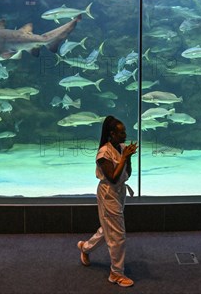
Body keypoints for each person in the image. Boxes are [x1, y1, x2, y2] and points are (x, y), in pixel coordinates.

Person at [77, 115, 137, 288]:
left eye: (125, 131)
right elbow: (112, 178)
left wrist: (128, 157)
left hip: (119, 193)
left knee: (107, 229)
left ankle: (85, 248)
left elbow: (126, 174)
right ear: (111, 134)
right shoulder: (103, 153)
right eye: (121, 132)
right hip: (108, 194)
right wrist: (125, 157)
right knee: (118, 235)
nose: (125, 135)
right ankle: (116, 273)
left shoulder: (122, 147)